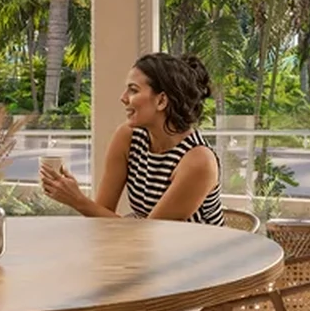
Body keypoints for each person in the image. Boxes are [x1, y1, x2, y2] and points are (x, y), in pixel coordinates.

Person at [40, 52, 226, 225]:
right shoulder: (129, 137)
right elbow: (102, 215)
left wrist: (77, 200)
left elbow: (152, 235)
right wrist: (75, 198)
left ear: (161, 101)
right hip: (147, 250)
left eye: (133, 90)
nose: (123, 98)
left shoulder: (199, 161)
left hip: (196, 257)